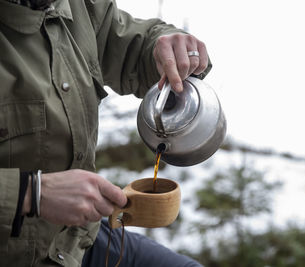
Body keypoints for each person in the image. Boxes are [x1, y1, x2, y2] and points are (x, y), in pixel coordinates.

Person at [0, 0, 211, 265]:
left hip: (72, 243)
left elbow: (126, 39)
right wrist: (32, 194)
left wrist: (164, 45)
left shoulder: (76, 6)